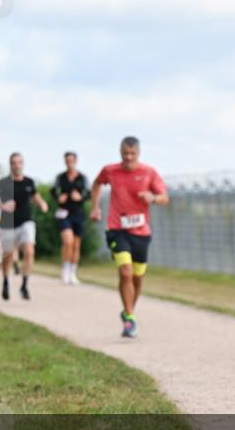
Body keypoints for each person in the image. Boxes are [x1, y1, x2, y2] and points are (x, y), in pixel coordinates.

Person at [90, 137, 168, 338]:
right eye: (125, 153)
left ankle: (127, 312)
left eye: (132, 154)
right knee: (125, 272)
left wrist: (153, 198)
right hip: (117, 228)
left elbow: (164, 198)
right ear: (120, 151)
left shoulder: (148, 172)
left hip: (141, 232)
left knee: (137, 278)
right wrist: (95, 208)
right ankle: (131, 318)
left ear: (138, 153)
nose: (128, 157)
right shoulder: (110, 170)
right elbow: (97, 184)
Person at [0, 152, 48, 300]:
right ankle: (5, 281)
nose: (17, 165)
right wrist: (2, 205)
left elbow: (35, 196)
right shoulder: (3, 183)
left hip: (26, 222)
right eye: (14, 163)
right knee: (8, 255)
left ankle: (24, 285)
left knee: (29, 251)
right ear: (10, 165)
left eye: (19, 162)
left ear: (22, 164)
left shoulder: (29, 182)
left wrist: (42, 203)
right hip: (8, 224)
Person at [52, 151, 91, 285]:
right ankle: (65, 269)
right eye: (67, 161)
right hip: (64, 213)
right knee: (67, 241)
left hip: (78, 213)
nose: (69, 163)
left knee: (76, 245)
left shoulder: (82, 178)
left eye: (71, 161)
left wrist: (81, 197)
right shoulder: (60, 177)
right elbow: (53, 191)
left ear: (75, 161)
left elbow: (89, 194)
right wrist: (58, 198)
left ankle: (73, 272)